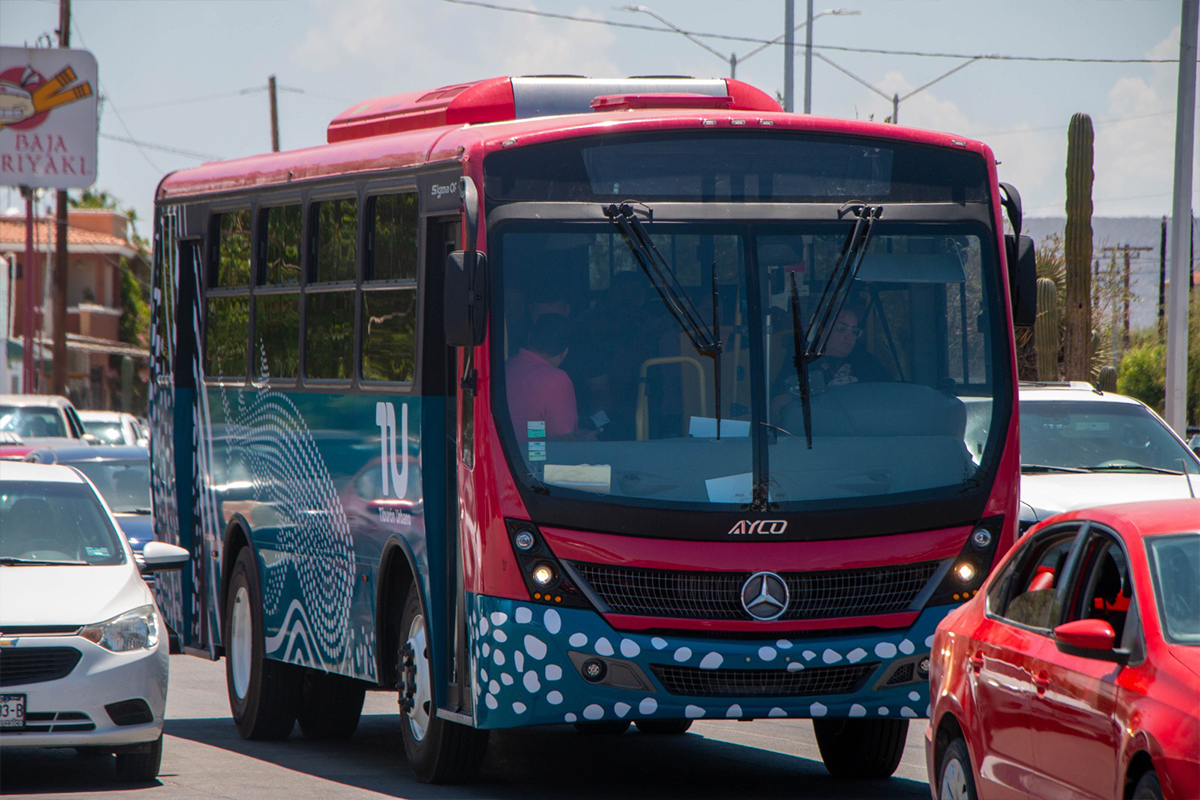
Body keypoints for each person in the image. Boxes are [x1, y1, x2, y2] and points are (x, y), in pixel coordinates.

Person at [771, 305, 891, 422]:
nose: (849, 337)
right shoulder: (802, 361)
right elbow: (778, 402)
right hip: (816, 433)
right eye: (841, 329)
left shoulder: (866, 362)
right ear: (822, 331)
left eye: (854, 331)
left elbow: (887, 396)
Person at [506, 313, 583, 441]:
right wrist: (585, 439)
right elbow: (563, 442)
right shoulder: (556, 379)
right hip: (534, 458)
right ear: (565, 352)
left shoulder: (506, 366)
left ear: (530, 337)